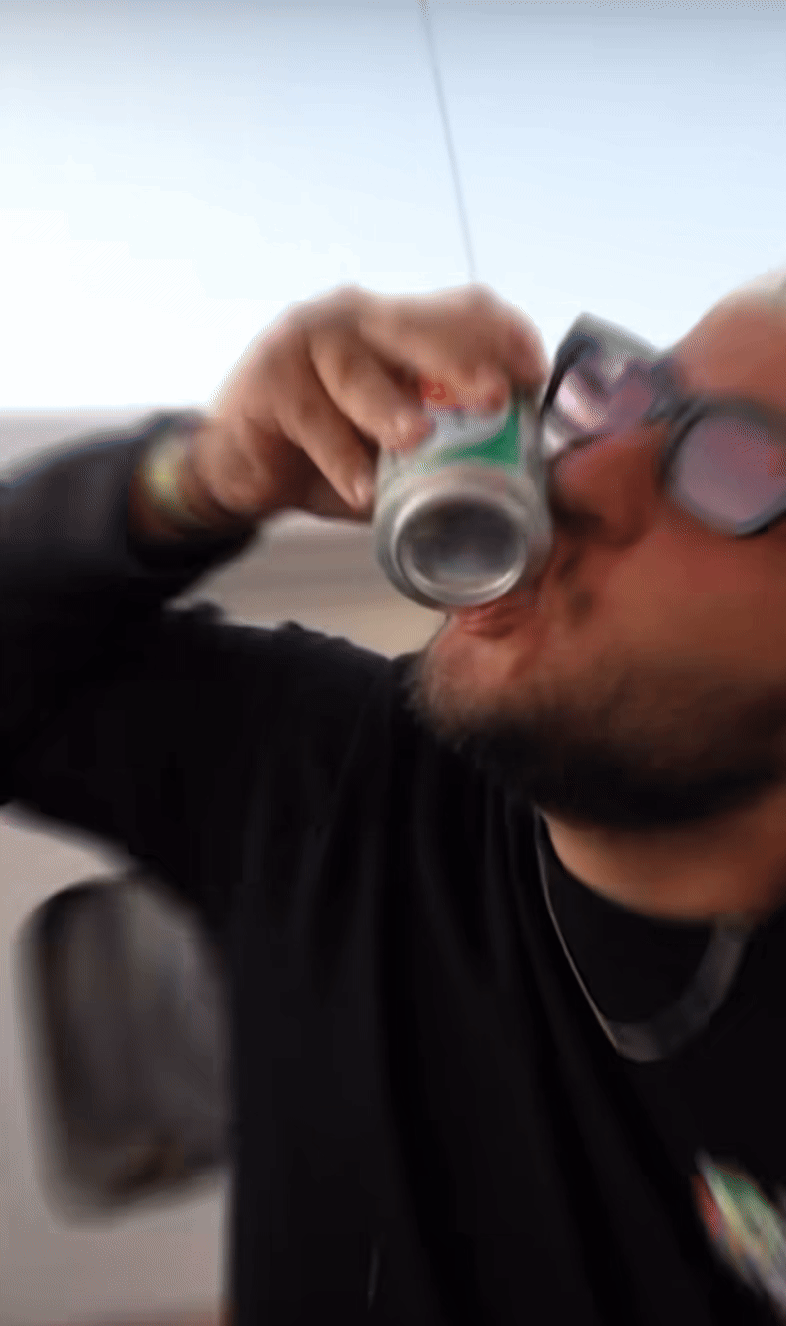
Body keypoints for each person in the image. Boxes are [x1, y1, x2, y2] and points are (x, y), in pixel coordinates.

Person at [6, 276, 786, 1324]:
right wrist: (199, 479)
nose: (583, 471)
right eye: (629, 392)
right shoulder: (335, 780)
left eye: (739, 463)